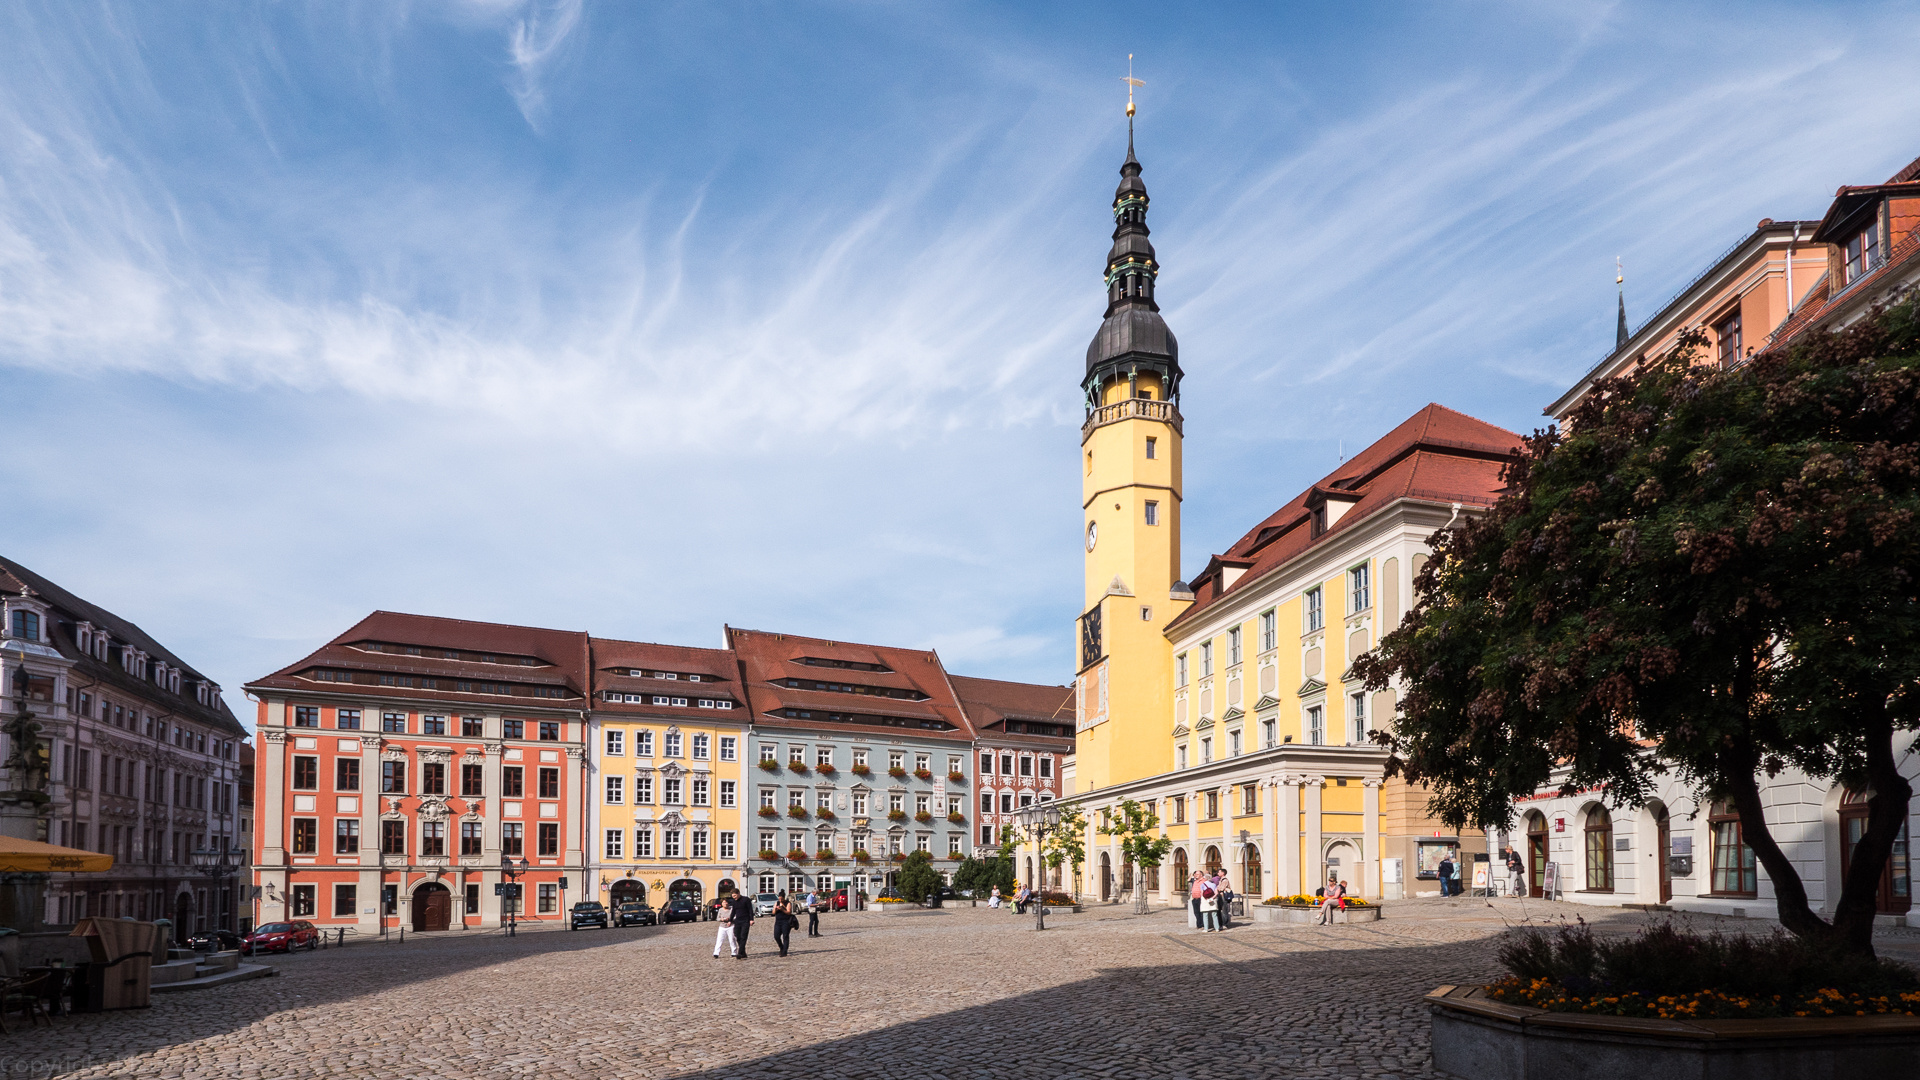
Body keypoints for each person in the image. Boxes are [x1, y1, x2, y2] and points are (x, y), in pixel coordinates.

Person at [729, 888, 755, 959]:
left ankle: (740, 953)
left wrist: (751, 919)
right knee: (737, 936)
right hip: (738, 921)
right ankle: (743, 953)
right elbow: (733, 911)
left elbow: (750, 910)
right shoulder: (734, 902)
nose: (734, 897)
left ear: (738, 893)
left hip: (745, 920)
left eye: (735, 896)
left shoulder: (746, 900)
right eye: (733, 896)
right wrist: (730, 920)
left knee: (743, 936)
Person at [712, 891, 736, 958]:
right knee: (719, 940)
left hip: (730, 926)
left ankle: (734, 952)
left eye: (726, 902)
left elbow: (735, 917)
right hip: (722, 927)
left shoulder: (731, 909)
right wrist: (722, 919)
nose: (725, 903)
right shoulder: (720, 910)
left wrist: (730, 919)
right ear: (721, 904)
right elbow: (717, 918)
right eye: (723, 902)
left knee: (732, 939)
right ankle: (716, 953)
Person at [772, 892, 795, 957]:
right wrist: (776, 909)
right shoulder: (777, 903)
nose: (780, 900)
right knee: (776, 936)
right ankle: (781, 947)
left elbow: (789, 912)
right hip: (778, 922)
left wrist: (782, 909)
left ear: (784, 898)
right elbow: (773, 912)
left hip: (786, 921)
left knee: (785, 936)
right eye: (779, 899)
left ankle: (784, 951)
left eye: (781, 899)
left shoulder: (788, 903)